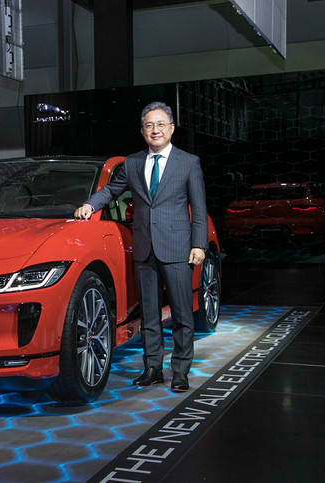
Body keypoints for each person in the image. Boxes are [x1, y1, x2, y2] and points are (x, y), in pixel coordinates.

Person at [74, 101, 208, 392]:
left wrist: (199, 244)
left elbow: (199, 208)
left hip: (177, 248)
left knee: (182, 314)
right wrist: (90, 204)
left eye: (160, 124)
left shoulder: (188, 162)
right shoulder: (133, 163)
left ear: (171, 128)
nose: (155, 130)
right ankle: (152, 368)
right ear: (142, 131)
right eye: (149, 125)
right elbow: (112, 189)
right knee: (149, 314)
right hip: (144, 249)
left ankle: (181, 371)